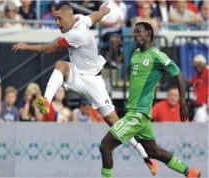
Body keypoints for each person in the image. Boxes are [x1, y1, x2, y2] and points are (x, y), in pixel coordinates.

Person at [12, 2, 158, 175]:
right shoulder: (80, 20)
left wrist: (25, 46)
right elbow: (93, 17)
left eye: (59, 18)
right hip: (76, 74)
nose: (57, 23)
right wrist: (104, 11)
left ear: (69, 16)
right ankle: (46, 101)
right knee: (60, 65)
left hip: (93, 82)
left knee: (114, 122)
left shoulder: (76, 34)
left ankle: (145, 156)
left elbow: (48, 48)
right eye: (55, 18)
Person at [100, 22, 201, 178]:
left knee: (105, 146)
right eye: (134, 33)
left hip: (138, 114)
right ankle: (189, 172)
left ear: (148, 33)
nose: (135, 36)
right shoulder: (135, 55)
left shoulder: (157, 55)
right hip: (137, 113)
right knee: (153, 151)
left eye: (138, 32)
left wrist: (182, 103)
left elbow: (178, 75)